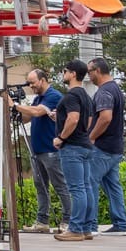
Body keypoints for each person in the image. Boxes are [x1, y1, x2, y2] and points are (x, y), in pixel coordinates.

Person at [9, 66, 65, 233]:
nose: (30, 86)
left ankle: (68, 221)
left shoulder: (53, 96)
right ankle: (42, 221)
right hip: (38, 150)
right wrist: (12, 109)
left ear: (42, 80)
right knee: (40, 186)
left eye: (32, 83)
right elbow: (28, 117)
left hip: (51, 149)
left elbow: (38, 112)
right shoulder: (38, 98)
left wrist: (16, 105)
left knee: (60, 185)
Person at [53, 59, 98, 241]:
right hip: (85, 144)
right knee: (86, 188)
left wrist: (61, 137)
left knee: (77, 189)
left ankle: (76, 228)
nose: (63, 73)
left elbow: (73, 118)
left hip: (72, 147)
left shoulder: (71, 96)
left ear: (72, 74)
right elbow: (87, 122)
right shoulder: (86, 96)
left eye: (65, 70)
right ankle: (86, 228)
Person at [87, 58, 126, 235]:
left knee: (89, 182)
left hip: (103, 147)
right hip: (115, 146)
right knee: (113, 186)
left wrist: (91, 137)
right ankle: (121, 224)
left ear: (97, 71)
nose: (88, 75)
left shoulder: (104, 92)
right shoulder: (116, 90)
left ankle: (90, 225)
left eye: (89, 71)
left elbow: (105, 118)